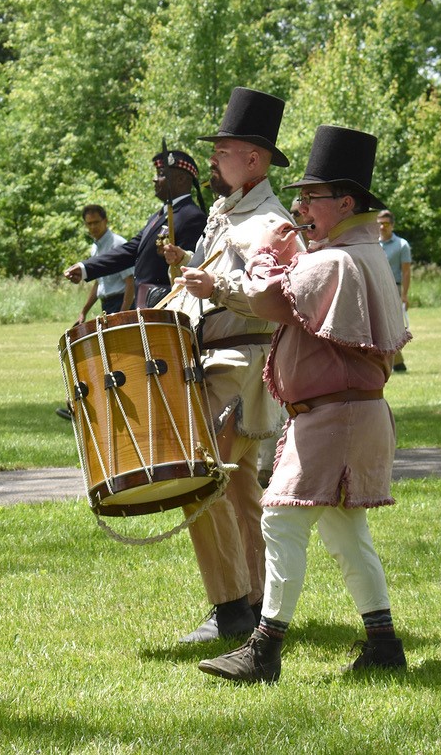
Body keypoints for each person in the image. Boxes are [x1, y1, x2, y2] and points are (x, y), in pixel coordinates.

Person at [192, 125, 409, 683]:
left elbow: (269, 299)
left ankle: (263, 651)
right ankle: (383, 642)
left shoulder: (332, 261)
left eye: (312, 197)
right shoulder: (356, 252)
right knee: (345, 533)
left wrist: (245, 270)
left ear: (345, 201)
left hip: (332, 417)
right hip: (350, 414)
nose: (301, 206)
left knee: (280, 521)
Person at [162, 87, 297, 644]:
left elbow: (278, 292)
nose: (213, 162)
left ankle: (230, 606)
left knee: (200, 477)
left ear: (255, 160)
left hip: (239, 359)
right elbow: (222, 272)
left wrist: (215, 283)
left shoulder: (270, 219)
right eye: (215, 151)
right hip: (221, 356)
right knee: (239, 488)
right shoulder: (229, 211)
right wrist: (191, 267)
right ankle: (259, 602)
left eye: (223, 151)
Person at [63, 148, 206, 310]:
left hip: (170, 308)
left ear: (181, 179)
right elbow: (130, 251)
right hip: (147, 305)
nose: (155, 179)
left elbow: (189, 268)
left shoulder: (191, 216)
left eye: (161, 174)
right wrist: (85, 268)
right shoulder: (159, 216)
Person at [56, 204, 134, 421]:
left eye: (96, 223)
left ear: (106, 221)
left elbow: (130, 282)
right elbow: (98, 283)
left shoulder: (118, 244)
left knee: (115, 359)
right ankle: (87, 410)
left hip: (121, 303)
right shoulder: (95, 248)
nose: (93, 227)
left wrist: (122, 315)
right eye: (89, 224)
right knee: (100, 357)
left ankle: (101, 411)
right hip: (106, 304)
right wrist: (83, 311)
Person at [377, 209, 412, 372]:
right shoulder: (373, 243)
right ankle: (395, 363)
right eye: (379, 223)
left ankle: (397, 363)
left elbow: (406, 271)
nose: (382, 227)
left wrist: (404, 295)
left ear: (392, 225)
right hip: (375, 287)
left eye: (385, 224)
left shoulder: (402, 245)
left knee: (392, 326)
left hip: (394, 287)